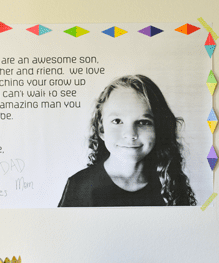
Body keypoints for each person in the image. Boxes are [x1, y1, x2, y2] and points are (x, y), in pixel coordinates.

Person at [58, 75, 196, 207]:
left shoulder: (171, 184)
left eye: (143, 122)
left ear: (159, 128)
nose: (130, 135)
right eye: (117, 121)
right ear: (101, 129)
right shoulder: (80, 186)